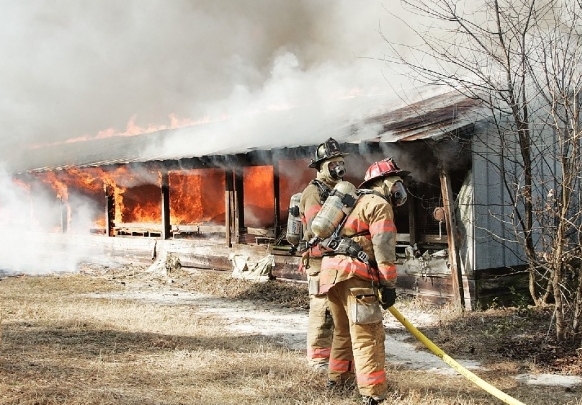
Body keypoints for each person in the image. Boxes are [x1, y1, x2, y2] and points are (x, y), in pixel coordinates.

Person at [318, 157, 409, 405]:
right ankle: (373, 394)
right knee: (369, 335)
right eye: (396, 183)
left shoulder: (354, 201)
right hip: (355, 276)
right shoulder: (379, 205)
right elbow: (384, 248)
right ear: (382, 183)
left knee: (343, 331)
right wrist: (388, 285)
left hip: (331, 275)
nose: (399, 190)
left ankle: (338, 381)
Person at [298, 137, 349, 372]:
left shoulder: (338, 191)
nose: (338, 167)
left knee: (337, 308)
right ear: (320, 167)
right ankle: (318, 359)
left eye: (340, 162)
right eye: (333, 163)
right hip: (319, 260)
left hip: (336, 258)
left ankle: (336, 358)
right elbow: (315, 229)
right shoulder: (313, 193)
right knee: (322, 309)